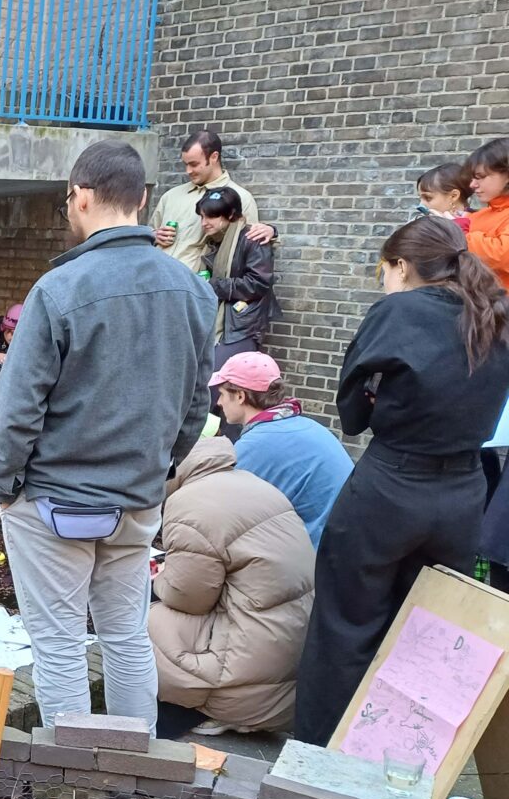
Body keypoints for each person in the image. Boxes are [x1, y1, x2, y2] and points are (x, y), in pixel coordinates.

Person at [0, 141, 216, 731]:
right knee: (126, 636)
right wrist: (161, 470)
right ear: (142, 199)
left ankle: (74, 782)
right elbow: (197, 404)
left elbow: (17, 409)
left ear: (82, 197)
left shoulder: (57, 290)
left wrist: (5, 485)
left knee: (61, 645)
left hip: (53, 501)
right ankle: (136, 767)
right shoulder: (192, 289)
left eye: (68, 199)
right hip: (137, 498)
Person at [293, 216, 509, 744]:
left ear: (402, 265)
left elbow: (352, 399)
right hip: (462, 495)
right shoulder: (497, 314)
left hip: (391, 484)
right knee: (426, 638)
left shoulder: (399, 310)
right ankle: (400, 758)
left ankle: (321, 758)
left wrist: (374, 403)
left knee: (345, 627)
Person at [149, 437, 314, 736]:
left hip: (241, 669)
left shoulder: (189, 504)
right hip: (286, 658)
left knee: (137, 617)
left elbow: (189, 597)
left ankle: (214, 709)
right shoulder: (252, 483)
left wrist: (158, 579)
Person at [211, 351, 353, 546]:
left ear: (240, 396)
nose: (218, 402)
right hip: (341, 543)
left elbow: (223, 511)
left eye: (222, 394)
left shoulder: (258, 442)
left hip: (314, 556)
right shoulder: (300, 424)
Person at [197, 186, 278, 440]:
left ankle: (231, 450)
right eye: (201, 216)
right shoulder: (214, 244)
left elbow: (259, 283)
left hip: (240, 329)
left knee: (226, 392)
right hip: (221, 328)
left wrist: (214, 287)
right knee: (213, 392)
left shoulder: (251, 238)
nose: (204, 223)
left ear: (230, 215)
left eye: (211, 216)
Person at [150, 130, 275, 273]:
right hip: (156, 279)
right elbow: (147, 236)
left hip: (196, 286)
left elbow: (250, 248)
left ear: (214, 157)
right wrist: (154, 234)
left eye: (194, 164)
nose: (188, 171)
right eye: (186, 164)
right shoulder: (171, 196)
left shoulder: (240, 198)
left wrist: (271, 231)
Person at [467, 137, 509, 291]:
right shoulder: (477, 216)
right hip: (477, 307)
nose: (473, 185)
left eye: (481, 177)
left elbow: (504, 255)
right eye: (473, 178)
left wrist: (459, 235)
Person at [417, 163, 474, 227]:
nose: (420, 205)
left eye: (428, 198)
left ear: (453, 196)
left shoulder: (477, 224)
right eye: (420, 198)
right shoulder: (420, 225)